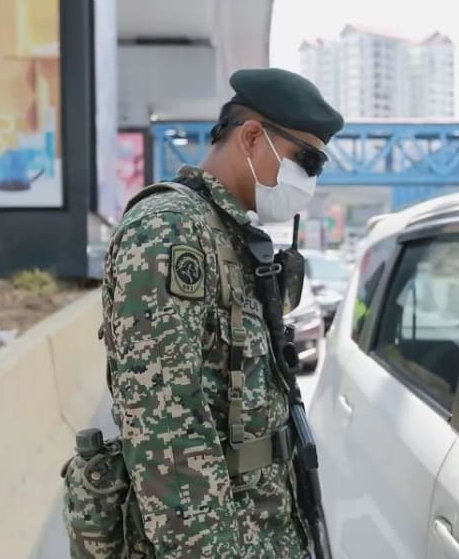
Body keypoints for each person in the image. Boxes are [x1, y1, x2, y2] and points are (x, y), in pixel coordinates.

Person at [100, 68, 343, 557]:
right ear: (252, 137)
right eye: (307, 161)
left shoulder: (227, 232)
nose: (309, 181)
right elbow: (164, 429)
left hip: (262, 523)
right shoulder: (168, 231)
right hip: (218, 536)